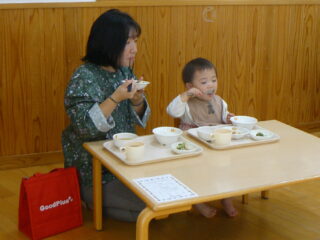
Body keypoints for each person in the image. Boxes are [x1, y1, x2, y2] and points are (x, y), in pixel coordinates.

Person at [62, 9, 151, 222]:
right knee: (147, 208)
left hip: (124, 161)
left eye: (135, 41)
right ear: (110, 43)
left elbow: (138, 118)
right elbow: (85, 128)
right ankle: (91, 197)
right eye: (129, 42)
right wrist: (115, 98)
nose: (135, 50)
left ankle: (100, 205)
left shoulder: (123, 72)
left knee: (162, 198)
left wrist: (137, 99)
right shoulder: (83, 77)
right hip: (95, 172)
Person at [166, 57, 238, 218]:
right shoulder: (186, 104)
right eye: (204, 82)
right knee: (193, 176)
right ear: (191, 87)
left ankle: (226, 198)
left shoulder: (219, 102)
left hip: (216, 146)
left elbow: (224, 116)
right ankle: (198, 203)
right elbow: (172, 111)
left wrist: (228, 119)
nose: (211, 85)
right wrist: (185, 96)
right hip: (194, 147)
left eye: (214, 80)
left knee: (226, 170)